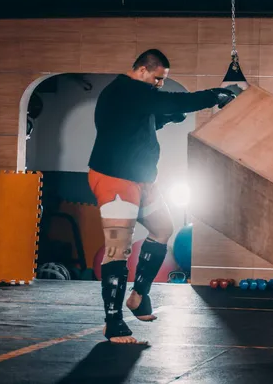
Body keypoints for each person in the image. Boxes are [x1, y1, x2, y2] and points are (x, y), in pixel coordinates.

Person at [88, 49, 237, 344]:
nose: (159, 83)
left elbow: (138, 125)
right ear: (142, 70)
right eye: (158, 78)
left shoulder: (135, 95)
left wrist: (166, 119)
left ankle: (138, 296)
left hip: (143, 178)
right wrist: (216, 95)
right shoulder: (125, 90)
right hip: (115, 178)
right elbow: (172, 100)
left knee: (162, 229)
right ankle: (113, 322)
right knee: (118, 248)